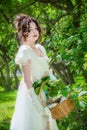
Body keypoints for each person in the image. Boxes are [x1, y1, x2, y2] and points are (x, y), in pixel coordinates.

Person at [10, 14, 59, 130]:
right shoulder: (25, 51)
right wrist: (36, 101)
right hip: (33, 93)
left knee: (49, 125)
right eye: (29, 30)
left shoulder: (40, 48)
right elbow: (27, 79)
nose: (34, 32)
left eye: (35, 28)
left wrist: (53, 87)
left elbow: (47, 71)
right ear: (23, 33)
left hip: (45, 89)